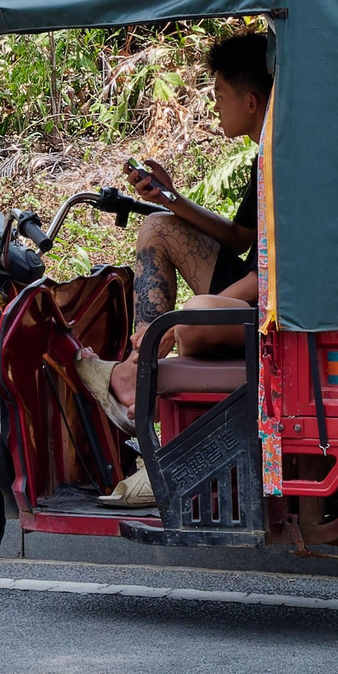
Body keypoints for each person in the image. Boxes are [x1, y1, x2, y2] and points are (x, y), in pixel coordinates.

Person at [74, 31, 271, 504]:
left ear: (249, 100)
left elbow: (272, 267)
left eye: (220, 96)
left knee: (196, 313)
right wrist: (170, 198)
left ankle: (138, 385)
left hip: (267, 294)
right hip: (253, 278)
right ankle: (138, 375)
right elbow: (244, 239)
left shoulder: (283, 157)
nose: (215, 106)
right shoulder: (265, 150)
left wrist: (189, 314)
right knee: (159, 227)